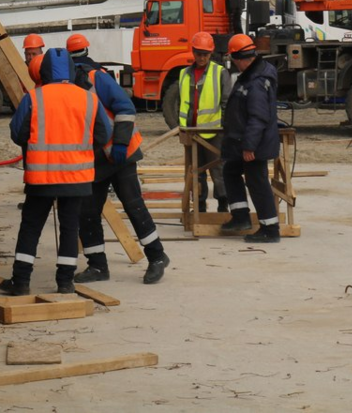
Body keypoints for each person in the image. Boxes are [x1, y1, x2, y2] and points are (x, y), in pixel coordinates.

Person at [1, 48, 111, 296]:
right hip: (77, 178)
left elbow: (17, 133)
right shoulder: (89, 99)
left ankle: (20, 281)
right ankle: (65, 282)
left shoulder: (34, 97)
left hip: (41, 178)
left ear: (44, 71)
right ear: (72, 71)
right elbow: (103, 135)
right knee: (70, 228)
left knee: (31, 227)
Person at [69, 38, 171, 285]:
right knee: (88, 211)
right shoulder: (68, 85)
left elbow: (125, 107)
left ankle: (157, 256)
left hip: (120, 153)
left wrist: (121, 144)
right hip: (97, 158)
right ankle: (97, 266)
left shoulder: (96, 77)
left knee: (133, 205)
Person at [219, 34, 282, 243]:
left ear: (238, 57)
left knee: (257, 182)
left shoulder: (256, 81)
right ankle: (240, 217)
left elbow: (258, 117)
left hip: (255, 144)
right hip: (245, 142)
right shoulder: (253, 74)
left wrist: (249, 146)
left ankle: (270, 229)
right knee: (230, 170)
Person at [179, 31, 231, 212]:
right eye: (199, 53)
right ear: (193, 52)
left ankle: (223, 205)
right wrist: (183, 129)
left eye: (205, 54)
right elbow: (182, 102)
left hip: (214, 131)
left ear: (211, 54)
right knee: (195, 171)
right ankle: (199, 205)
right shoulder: (184, 74)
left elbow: (226, 103)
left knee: (218, 170)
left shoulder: (220, 72)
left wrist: (224, 128)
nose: (202, 57)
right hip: (191, 132)